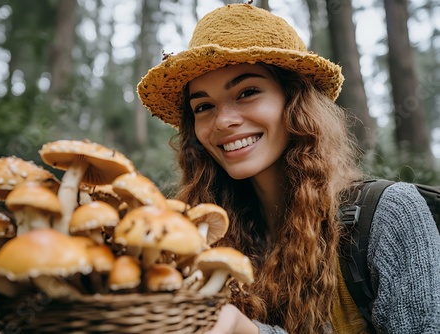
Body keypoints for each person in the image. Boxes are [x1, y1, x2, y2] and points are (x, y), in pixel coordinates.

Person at [137, 3, 440, 334]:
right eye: (204, 106)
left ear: (294, 100)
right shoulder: (200, 237)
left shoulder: (387, 215)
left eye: (248, 92)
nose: (223, 121)